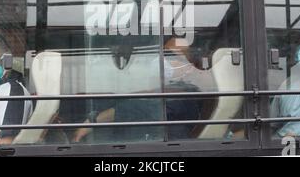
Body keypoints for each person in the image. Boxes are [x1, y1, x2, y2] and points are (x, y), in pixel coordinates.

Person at [72, 37, 206, 143]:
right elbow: (147, 95)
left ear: (189, 66)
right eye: (163, 54)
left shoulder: (189, 94)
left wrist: (93, 120)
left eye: (172, 56)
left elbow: (143, 106)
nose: (164, 60)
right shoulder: (169, 87)